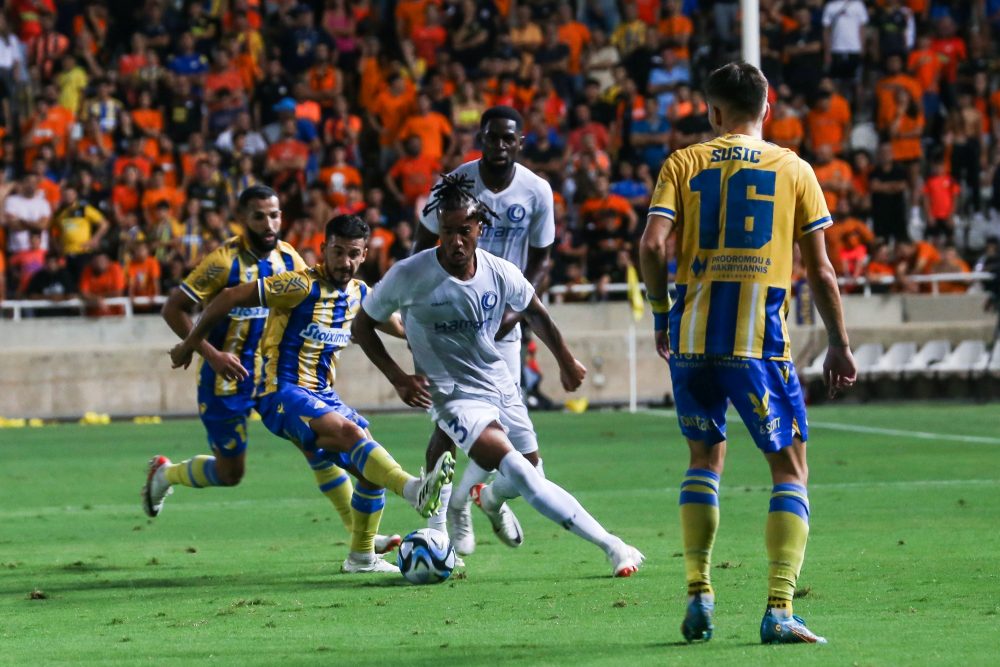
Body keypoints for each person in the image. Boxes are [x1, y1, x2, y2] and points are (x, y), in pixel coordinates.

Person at [639, 62, 856, 645]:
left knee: (703, 460)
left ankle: (698, 592)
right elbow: (822, 271)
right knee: (790, 469)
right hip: (757, 346)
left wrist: (663, 314)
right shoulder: (794, 169)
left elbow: (653, 246)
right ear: (770, 105)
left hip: (691, 341)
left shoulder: (681, 164)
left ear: (711, 111)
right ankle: (780, 608)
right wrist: (838, 344)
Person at [352, 175, 644, 577]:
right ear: (438, 227)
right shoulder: (408, 274)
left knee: (532, 471)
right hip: (450, 394)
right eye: (448, 231)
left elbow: (535, 311)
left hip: (498, 381)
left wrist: (566, 359)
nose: (455, 241)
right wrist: (399, 377)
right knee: (523, 474)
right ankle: (613, 546)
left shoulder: (499, 272)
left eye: (464, 232)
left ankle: (485, 500)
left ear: (479, 229)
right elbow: (362, 325)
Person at [160, 214, 453, 573]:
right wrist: (192, 344)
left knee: (367, 469)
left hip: (322, 395)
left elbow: (397, 328)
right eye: (338, 251)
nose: (344, 262)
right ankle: (413, 490)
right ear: (323, 249)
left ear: (364, 257)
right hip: (279, 393)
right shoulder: (298, 286)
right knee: (351, 434)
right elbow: (227, 297)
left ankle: (361, 558)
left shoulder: (360, 294)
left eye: (353, 254)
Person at [142, 186, 399, 558]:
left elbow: (316, 302)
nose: (269, 223)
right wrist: (210, 353)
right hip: (223, 376)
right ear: (243, 217)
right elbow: (174, 309)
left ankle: (360, 538)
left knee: (317, 445)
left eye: (275, 215)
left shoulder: (290, 259)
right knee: (231, 474)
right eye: (259, 215)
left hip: (274, 376)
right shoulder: (223, 262)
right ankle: (166, 474)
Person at [411, 106, 555, 558]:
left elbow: (545, 259)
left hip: (504, 324)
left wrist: (519, 312)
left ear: (519, 143)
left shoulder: (536, 191)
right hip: (452, 326)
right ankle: (438, 526)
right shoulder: (453, 184)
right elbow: (420, 249)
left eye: (507, 139)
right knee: (451, 427)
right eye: (491, 137)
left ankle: (479, 498)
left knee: (517, 449)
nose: (498, 146)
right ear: (481, 138)